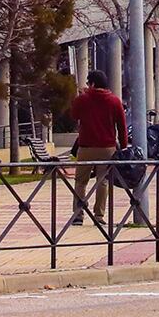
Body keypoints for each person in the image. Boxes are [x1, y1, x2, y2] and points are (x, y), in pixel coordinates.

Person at [64, 69, 127, 231]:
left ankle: (78, 215)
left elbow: (73, 115)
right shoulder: (114, 101)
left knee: (80, 182)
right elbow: (122, 126)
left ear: (92, 83)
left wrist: (82, 97)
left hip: (86, 147)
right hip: (107, 148)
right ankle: (99, 216)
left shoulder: (83, 99)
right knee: (103, 181)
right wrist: (124, 147)